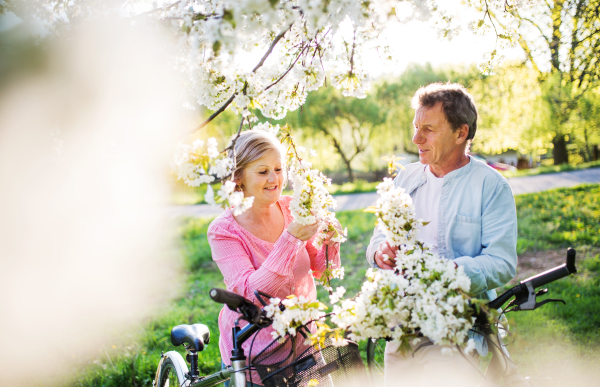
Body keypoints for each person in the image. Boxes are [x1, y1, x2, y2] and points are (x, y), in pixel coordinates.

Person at [366, 82, 518, 387]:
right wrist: (380, 252)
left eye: (429, 129)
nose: (416, 139)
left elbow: (502, 262)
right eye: (416, 127)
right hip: (401, 321)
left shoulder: (491, 186)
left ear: (461, 133)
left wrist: (452, 272)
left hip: (455, 325)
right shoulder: (406, 178)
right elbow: (378, 237)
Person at [208, 130, 342, 387]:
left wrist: (330, 240)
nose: (274, 179)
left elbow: (322, 271)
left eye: (279, 169)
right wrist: (291, 239)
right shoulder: (224, 230)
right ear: (239, 178)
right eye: (262, 171)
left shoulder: (293, 208)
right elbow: (250, 292)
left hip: (304, 343)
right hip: (256, 353)